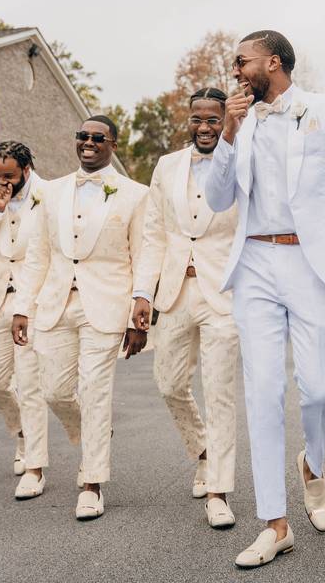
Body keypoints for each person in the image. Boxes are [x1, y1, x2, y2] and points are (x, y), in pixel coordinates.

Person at [204, 30, 325, 568]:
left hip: (314, 266)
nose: (236, 70)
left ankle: (312, 464)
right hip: (256, 266)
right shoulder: (238, 121)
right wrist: (228, 130)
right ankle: (275, 523)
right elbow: (219, 198)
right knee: (263, 390)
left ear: (273, 62)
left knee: (320, 392)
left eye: (242, 61)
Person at [12, 116, 148, 519]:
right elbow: (37, 254)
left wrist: (137, 316)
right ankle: (90, 429)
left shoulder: (135, 195)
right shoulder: (50, 192)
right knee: (54, 390)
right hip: (55, 303)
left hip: (106, 305)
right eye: (83, 136)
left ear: (113, 145)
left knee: (96, 391)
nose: (89, 143)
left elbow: (142, 256)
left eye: (98, 138)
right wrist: (23, 306)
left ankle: (92, 483)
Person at [132, 88, 241, 528]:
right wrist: (143, 293)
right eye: (197, 119)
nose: (204, 127)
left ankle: (218, 490)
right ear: (188, 121)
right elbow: (154, 234)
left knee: (219, 392)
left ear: (224, 122)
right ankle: (203, 449)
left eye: (213, 120)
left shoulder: (241, 160)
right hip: (175, 293)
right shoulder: (167, 166)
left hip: (224, 294)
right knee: (169, 382)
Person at [0, 141, 63, 499]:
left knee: (31, 386)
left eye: (9, 177)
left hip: (32, 304)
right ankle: (21, 431)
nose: (1, 182)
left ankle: (35, 467)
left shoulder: (51, 194)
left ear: (26, 171)